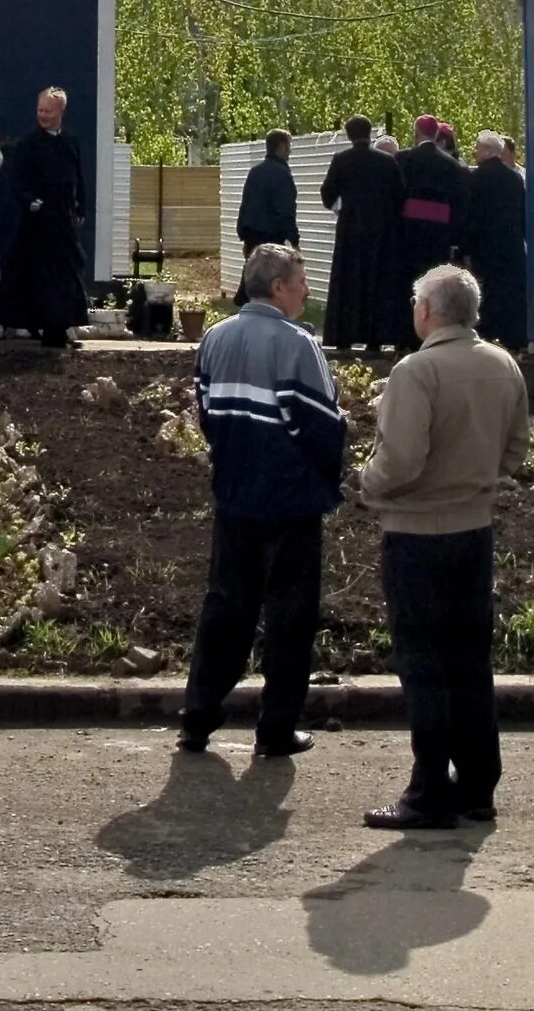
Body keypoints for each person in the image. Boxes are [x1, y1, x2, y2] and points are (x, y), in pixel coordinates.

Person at [357, 261, 530, 828]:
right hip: (473, 529)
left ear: (426, 311)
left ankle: (428, 791)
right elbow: (515, 453)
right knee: (469, 661)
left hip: (416, 532)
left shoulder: (416, 372)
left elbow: (401, 461)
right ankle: (478, 784)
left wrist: (367, 480)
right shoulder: (503, 366)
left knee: (424, 665)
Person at [179, 242, 345, 759]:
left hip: (234, 494)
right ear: (278, 288)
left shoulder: (214, 337)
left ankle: (198, 718)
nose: (306, 290)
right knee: (290, 616)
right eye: (300, 281)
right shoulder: (298, 343)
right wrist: (326, 476)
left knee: (225, 605)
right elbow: (322, 425)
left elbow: (206, 411)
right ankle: (276, 728)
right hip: (290, 501)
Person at [0, 87, 89, 350]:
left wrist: (81, 208)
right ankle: (45, 328)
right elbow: (16, 180)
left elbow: (78, 178)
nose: (43, 115)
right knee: (39, 277)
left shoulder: (70, 142)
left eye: (48, 111)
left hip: (63, 221)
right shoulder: (28, 144)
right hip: (38, 225)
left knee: (67, 275)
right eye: (40, 110)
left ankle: (61, 326)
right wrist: (30, 201)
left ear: (60, 112)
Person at [318, 118, 403, 352]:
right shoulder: (387, 162)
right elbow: (400, 195)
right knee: (376, 282)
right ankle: (375, 338)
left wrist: (343, 207)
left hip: (350, 231)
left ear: (348, 135)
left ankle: (344, 335)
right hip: (380, 233)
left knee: (348, 281)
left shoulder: (342, 160)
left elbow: (327, 194)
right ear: (369, 133)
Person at [391, 119, 468, 353]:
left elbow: (394, 197)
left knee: (406, 283)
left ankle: (405, 336)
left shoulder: (402, 160)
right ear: (437, 135)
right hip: (438, 235)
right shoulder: (453, 166)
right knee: (434, 285)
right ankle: (435, 333)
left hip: (408, 233)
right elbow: (460, 206)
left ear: (416, 133)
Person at [456, 131, 529, 352]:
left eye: (477, 148)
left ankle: (486, 334)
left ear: (487, 151)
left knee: (487, 291)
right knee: (510, 291)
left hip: (484, 246)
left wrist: (465, 249)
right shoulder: (515, 178)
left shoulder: (474, 179)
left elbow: (469, 216)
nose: (475, 152)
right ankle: (514, 337)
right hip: (511, 244)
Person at [237, 129, 300, 257]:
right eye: (289, 146)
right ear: (282, 147)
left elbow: (245, 205)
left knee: (252, 274)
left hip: (251, 237)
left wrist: (243, 235)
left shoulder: (254, 172)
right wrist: (294, 241)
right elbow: (286, 210)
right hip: (272, 239)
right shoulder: (283, 175)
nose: (290, 151)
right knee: (272, 274)